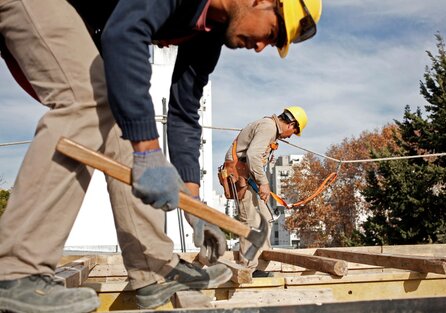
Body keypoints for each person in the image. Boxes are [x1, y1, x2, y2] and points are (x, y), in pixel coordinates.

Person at [0, 0, 322, 312]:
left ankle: (153, 271)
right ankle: (16, 270)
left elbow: (184, 114)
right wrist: (148, 150)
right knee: (89, 101)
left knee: (121, 122)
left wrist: (194, 207)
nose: (261, 47)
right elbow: (125, 32)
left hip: (87, 22)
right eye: (273, 33)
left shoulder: (209, 34)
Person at [222, 106, 308, 275]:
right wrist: (264, 183)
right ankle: (247, 269)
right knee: (251, 223)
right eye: (294, 132)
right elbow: (253, 155)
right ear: (291, 124)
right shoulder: (268, 127)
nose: (290, 136)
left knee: (266, 218)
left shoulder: (269, 129)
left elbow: (253, 156)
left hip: (248, 178)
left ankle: (261, 266)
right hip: (241, 179)